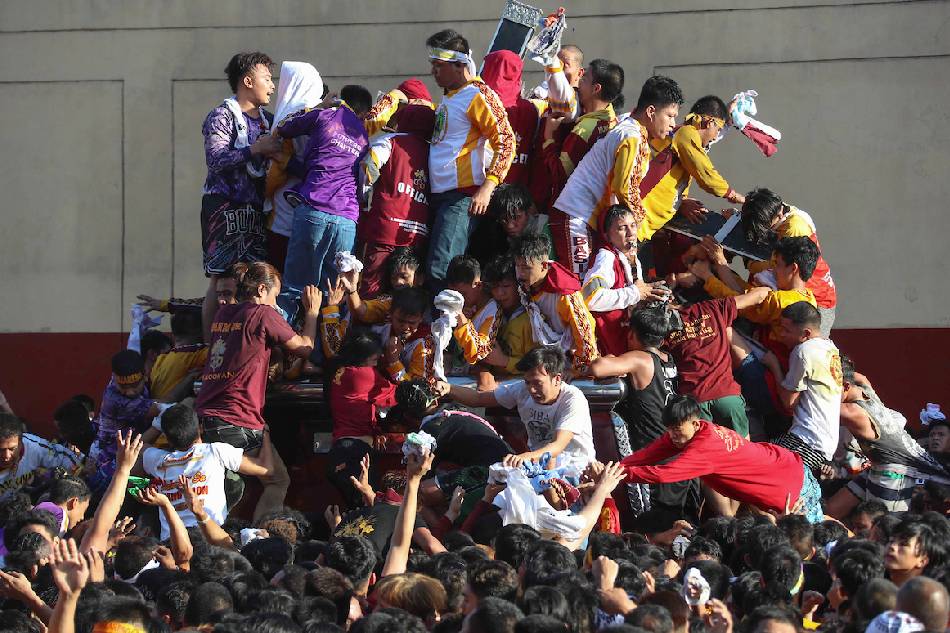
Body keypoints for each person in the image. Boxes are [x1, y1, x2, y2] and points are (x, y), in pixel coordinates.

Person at [195, 262, 320, 520]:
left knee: (225, 486)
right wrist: (312, 314)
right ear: (262, 290)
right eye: (275, 296)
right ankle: (258, 540)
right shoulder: (263, 314)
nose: (275, 303)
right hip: (238, 420)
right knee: (276, 481)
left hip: (206, 417)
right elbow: (305, 348)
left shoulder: (223, 315)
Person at [550, 75, 683, 276]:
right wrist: (639, 223)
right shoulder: (632, 137)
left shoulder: (629, 127)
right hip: (577, 216)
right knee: (579, 285)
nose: (674, 123)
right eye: (670, 115)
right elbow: (625, 188)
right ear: (651, 111)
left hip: (585, 217)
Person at [619, 396, 824, 523]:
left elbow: (663, 475)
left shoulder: (703, 447)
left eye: (676, 429)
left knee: (818, 539)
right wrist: (617, 468)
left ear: (695, 423)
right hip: (786, 467)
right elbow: (650, 453)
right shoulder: (695, 431)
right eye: (669, 429)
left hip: (793, 488)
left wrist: (617, 476)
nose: (671, 435)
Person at [425, 29, 516, 291]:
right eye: (432, 65)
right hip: (440, 196)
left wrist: (488, 187)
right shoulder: (449, 96)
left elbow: (506, 141)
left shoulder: (478, 94)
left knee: (442, 270)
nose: (434, 71)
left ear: (459, 65)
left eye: (439, 65)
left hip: (462, 197)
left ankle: (445, 330)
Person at [590, 303, 697, 518]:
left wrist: (611, 358)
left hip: (655, 451)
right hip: (676, 448)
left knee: (657, 523)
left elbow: (597, 367)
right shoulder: (668, 359)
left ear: (632, 334)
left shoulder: (640, 359)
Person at [274, 81, 369, 316]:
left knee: (296, 288)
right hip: (346, 221)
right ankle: (326, 350)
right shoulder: (364, 136)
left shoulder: (325, 115)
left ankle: (285, 349)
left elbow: (284, 127)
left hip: (314, 210)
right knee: (333, 294)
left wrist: (319, 105)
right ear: (364, 113)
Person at [825, 356, 950, 516]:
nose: (825, 391)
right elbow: (860, 377)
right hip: (881, 464)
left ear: (846, 386)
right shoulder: (864, 389)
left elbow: (799, 404)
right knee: (831, 511)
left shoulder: (852, 411)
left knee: (884, 528)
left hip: (896, 471)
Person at [439, 346, 596, 471]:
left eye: (537, 383)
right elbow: (478, 398)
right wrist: (448, 388)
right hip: (535, 468)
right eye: (527, 382)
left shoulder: (573, 399)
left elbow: (556, 447)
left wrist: (524, 457)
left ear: (557, 379)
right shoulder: (521, 389)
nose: (532, 389)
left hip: (576, 471)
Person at [139, 403, 273, 539]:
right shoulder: (215, 451)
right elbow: (265, 468)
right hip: (212, 540)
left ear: (168, 439)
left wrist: (158, 422)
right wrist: (265, 434)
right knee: (235, 481)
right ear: (201, 428)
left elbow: (135, 446)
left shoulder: (158, 461)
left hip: (173, 544)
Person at [200, 52, 282, 277]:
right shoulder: (221, 116)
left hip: (257, 212)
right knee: (223, 281)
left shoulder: (271, 120)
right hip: (224, 207)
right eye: (266, 79)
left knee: (255, 280)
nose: (272, 86)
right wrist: (256, 149)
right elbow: (216, 160)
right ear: (248, 81)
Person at [638, 95, 745, 245]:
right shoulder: (686, 133)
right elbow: (706, 174)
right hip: (636, 224)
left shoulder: (683, 139)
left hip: (643, 228)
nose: (715, 137)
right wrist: (736, 197)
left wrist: (682, 202)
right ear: (709, 123)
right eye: (718, 129)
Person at [665, 287, 771, 437]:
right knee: (743, 452)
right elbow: (760, 295)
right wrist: (768, 287)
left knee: (709, 455)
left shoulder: (662, 327)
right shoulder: (713, 308)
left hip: (695, 403)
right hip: (727, 396)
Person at [357, 104, 435, 298]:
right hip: (417, 235)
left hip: (385, 228)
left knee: (372, 291)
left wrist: (364, 198)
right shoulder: (434, 151)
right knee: (408, 295)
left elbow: (369, 166)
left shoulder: (391, 141)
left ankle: (371, 329)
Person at [740, 188, 837, 336]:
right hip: (790, 292)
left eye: (764, 225)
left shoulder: (795, 228)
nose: (761, 231)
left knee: (807, 345)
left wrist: (749, 263)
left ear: (778, 214)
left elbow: (774, 265)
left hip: (816, 300)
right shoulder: (780, 210)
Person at [761, 302, 843, 475]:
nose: (780, 335)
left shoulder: (803, 351)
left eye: (786, 330)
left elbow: (789, 403)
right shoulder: (830, 348)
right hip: (825, 444)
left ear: (806, 334)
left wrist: (774, 365)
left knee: (757, 462)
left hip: (806, 441)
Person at [534, 58, 621, 216]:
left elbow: (560, 175)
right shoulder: (614, 121)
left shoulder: (585, 130)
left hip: (571, 213)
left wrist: (548, 137)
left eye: (585, 79)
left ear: (596, 88)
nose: (579, 82)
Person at [582, 205, 672, 356]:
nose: (631, 233)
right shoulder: (606, 258)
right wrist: (635, 293)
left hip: (624, 338)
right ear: (607, 235)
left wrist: (649, 296)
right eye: (622, 228)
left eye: (633, 226)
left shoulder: (631, 257)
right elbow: (590, 298)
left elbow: (635, 294)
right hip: (607, 343)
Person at [263, 61, 325, 272]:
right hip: (315, 212)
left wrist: (283, 160)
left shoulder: (299, 116)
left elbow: (308, 167)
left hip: (286, 214)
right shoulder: (325, 114)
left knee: (280, 280)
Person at [325, 330, 397, 508]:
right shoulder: (364, 375)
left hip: (341, 451)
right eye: (375, 359)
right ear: (361, 357)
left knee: (355, 513)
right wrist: (395, 361)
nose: (379, 358)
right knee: (367, 513)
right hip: (355, 454)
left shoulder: (341, 371)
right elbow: (400, 394)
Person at [513, 234, 599, 372]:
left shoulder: (564, 293)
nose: (520, 274)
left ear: (544, 266)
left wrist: (576, 370)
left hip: (569, 362)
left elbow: (585, 332)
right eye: (517, 266)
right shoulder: (528, 284)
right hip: (546, 357)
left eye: (526, 268)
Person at [454, 255, 537, 377]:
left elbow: (540, 365)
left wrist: (505, 361)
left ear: (519, 285)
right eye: (494, 287)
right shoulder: (487, 313)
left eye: (506, 286)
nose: (500, 293)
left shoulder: (532, 320)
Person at [0, 414, 84, 501]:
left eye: (12, 449)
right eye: (1, 450)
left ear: (22, 441)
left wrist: (78, 475)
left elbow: (66, 458)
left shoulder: (34, 447)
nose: (7, 456)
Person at [148, 310, 207, 401]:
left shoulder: (160, 360)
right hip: (174, 411)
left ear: (173, 333)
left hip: (155, 411)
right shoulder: (200, 354)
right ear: (202, 331)